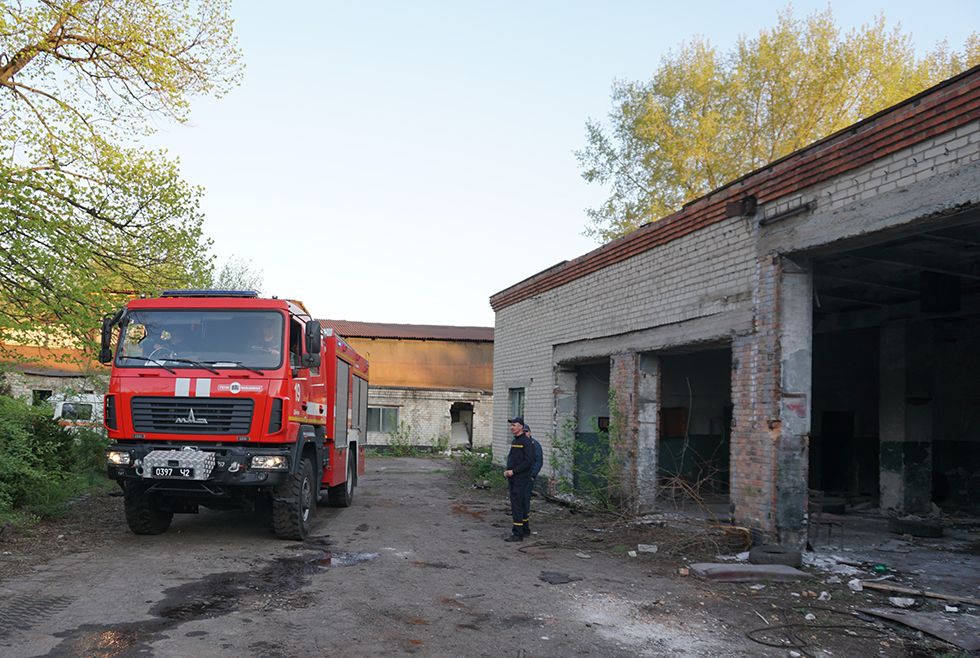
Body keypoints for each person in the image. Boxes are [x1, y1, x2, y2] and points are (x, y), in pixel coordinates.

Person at [504, 416, 535, 542]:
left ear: (521, 427)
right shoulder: (516, 440)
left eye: (514, 425)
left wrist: (513, 471)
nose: (512, 427)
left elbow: (529, 461)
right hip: (515, 478)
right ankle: (525, 529)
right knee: (520, 503)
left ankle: (517, 534)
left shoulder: (526, 442)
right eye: (511, 425)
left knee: (517, 504)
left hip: (520, 478)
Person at [521, 423, 544, 537]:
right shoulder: (519, 444)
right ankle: (519, 524)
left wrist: (532, 475)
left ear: (529, 433)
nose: (524, 434)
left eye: (526, 432)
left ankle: (525, 527)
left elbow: (538, 462)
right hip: (518, 478)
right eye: (523, 432)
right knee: (517, 501)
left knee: (525, 501)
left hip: (528, 477)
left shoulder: (535, 445)